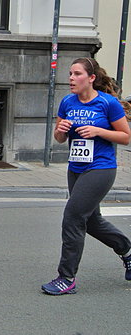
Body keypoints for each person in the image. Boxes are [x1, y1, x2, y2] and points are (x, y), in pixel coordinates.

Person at [41, 57, 131, 295]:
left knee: (72, 216)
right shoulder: (67, 102)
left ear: (91, 78)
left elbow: (125, 136)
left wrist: (98, 131)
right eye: (70, 74)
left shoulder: (107, 103)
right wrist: (59, 132)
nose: (71, 78)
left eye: (77, 74)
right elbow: (60, 139)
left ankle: (66, 277)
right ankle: (128, 250)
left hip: (101, 168)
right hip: (76, 168)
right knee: (90, 221)